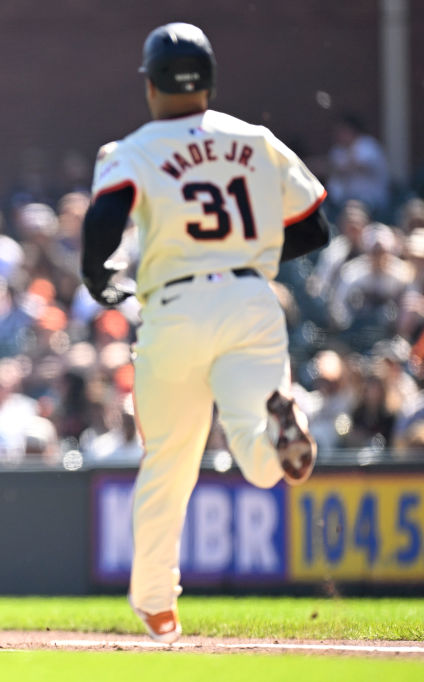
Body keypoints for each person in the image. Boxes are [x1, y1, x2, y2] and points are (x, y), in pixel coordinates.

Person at [80, 23, 330, 645]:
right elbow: (314, 227)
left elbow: (103, 225)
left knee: (169, 461)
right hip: (251, 297)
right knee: (254, 446)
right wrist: (254, 252)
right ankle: (280, 430)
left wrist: (102, 282)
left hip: (175, 306)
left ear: (151, 85)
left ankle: (159, 607)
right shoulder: (256, 139)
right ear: (210, 81)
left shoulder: (133, 147)